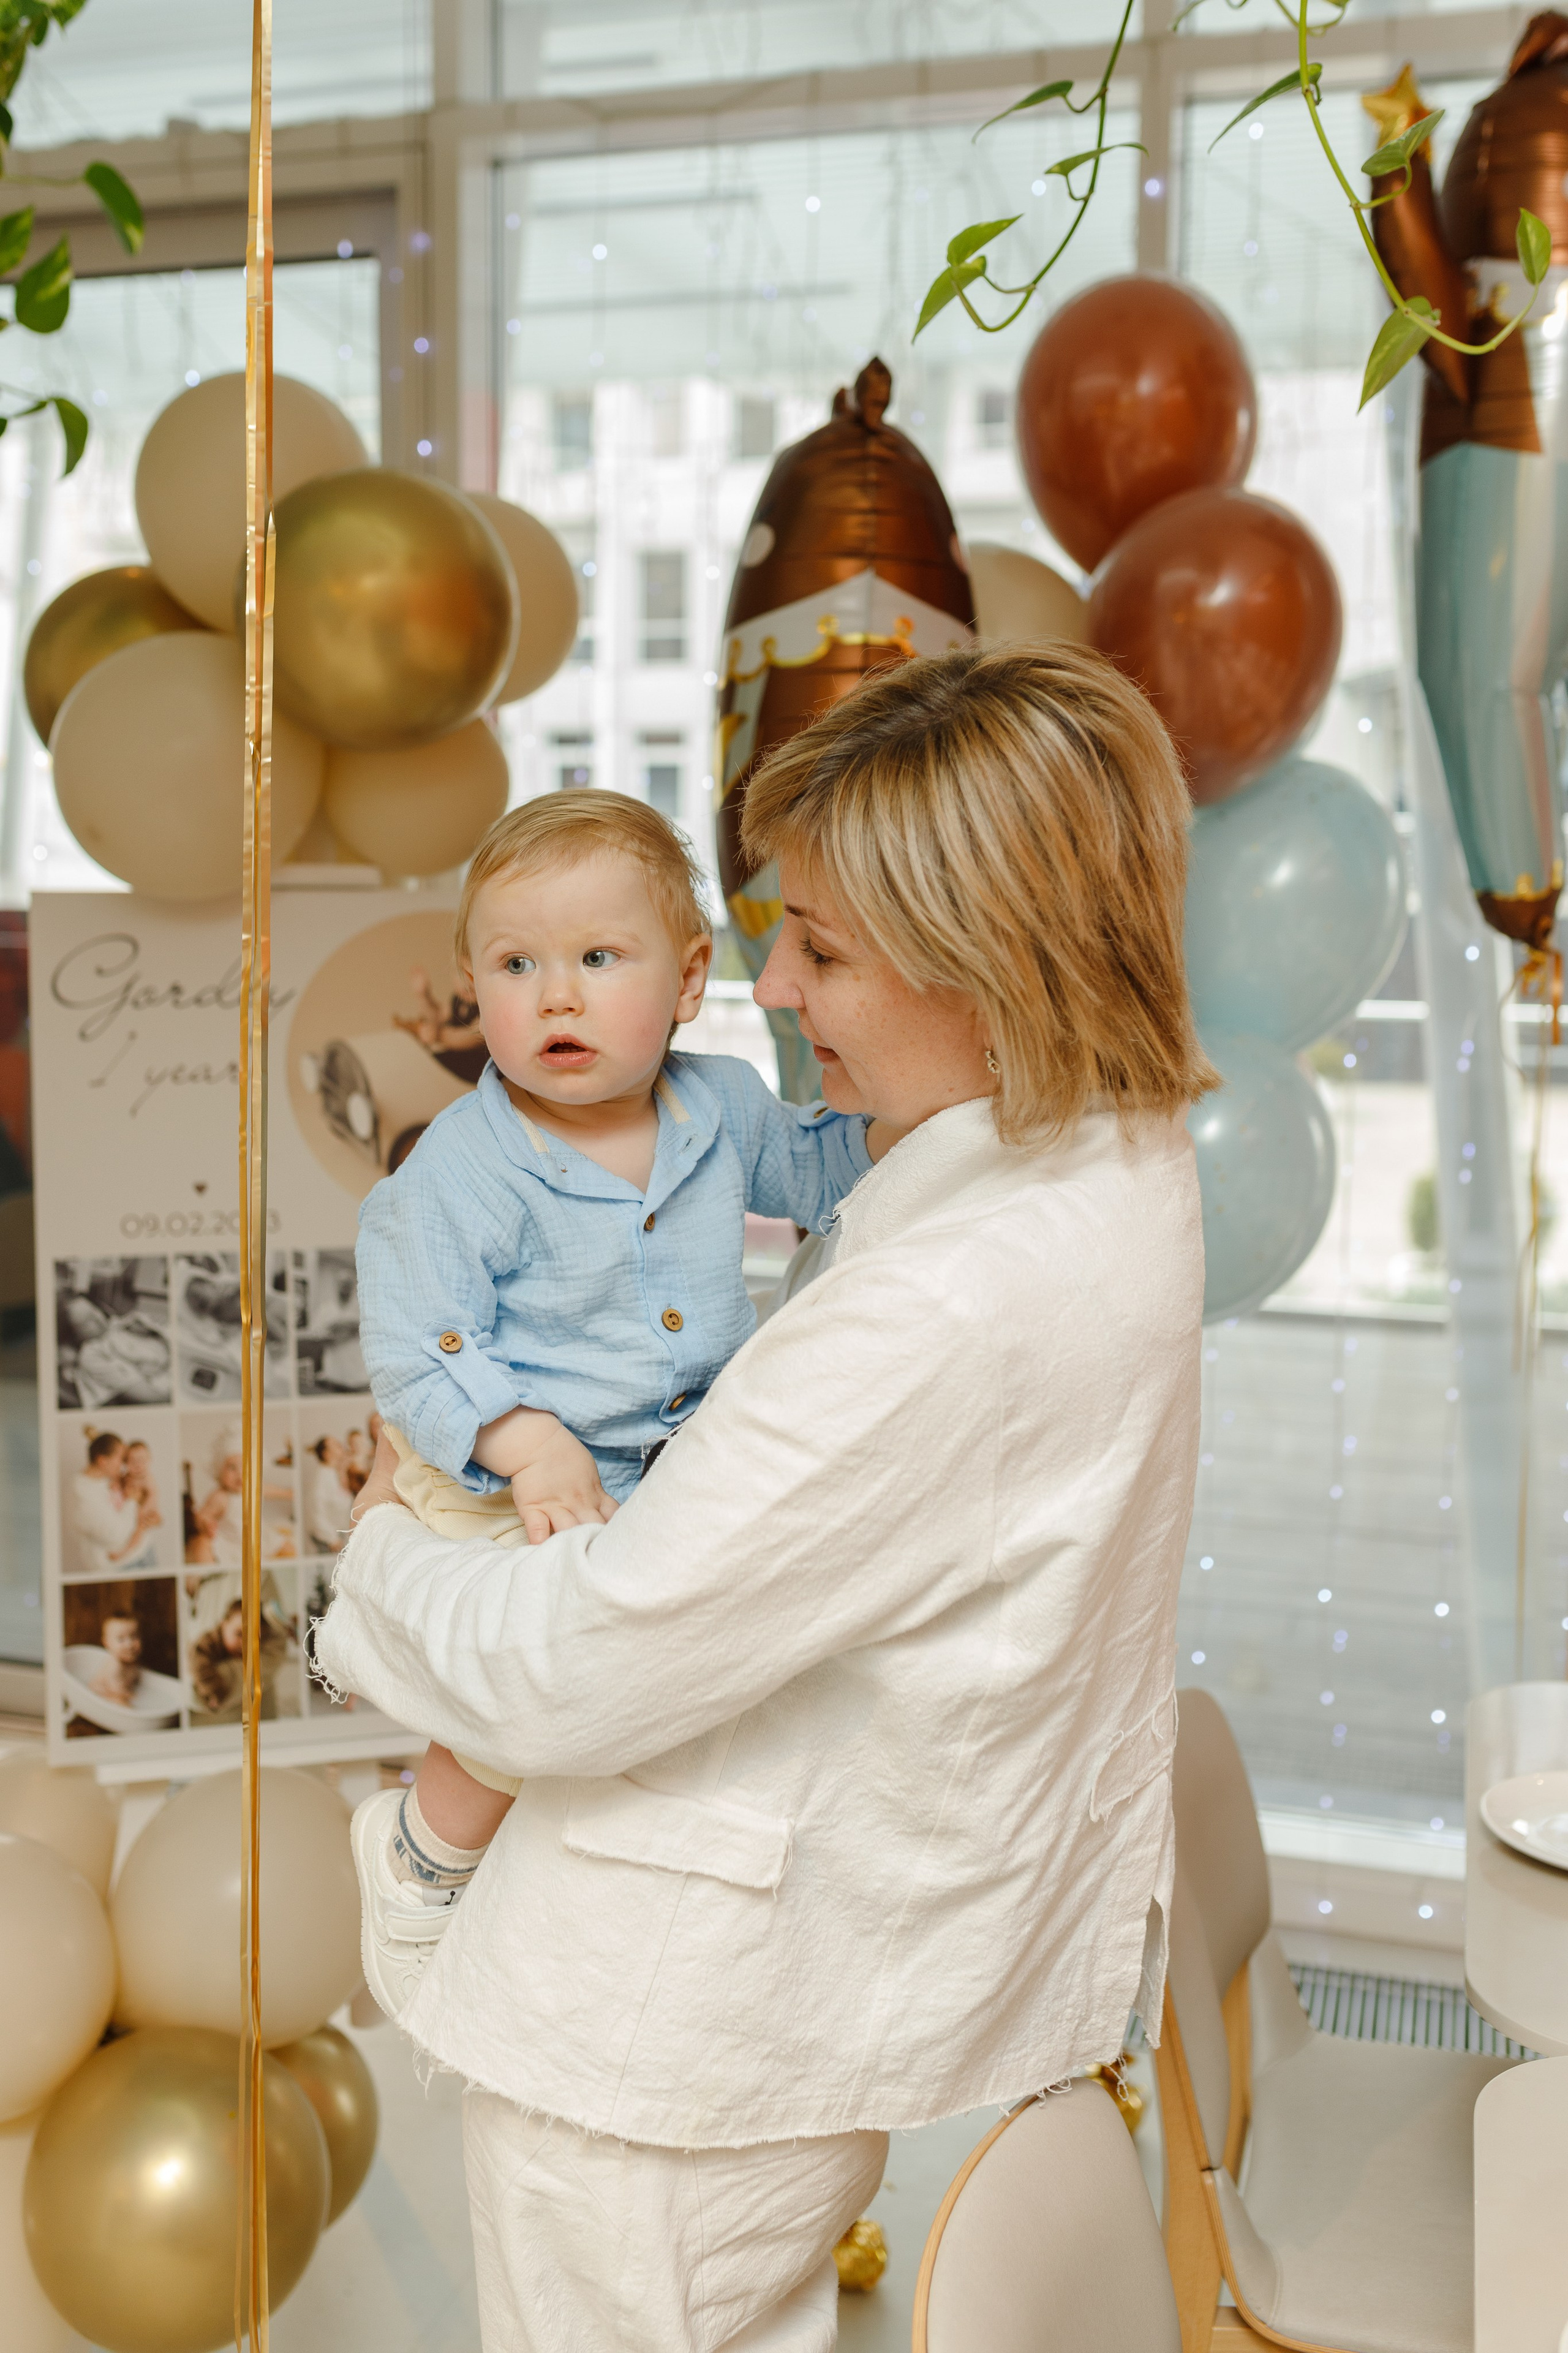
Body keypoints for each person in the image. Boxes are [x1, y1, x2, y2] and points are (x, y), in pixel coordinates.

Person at [317, 644, 1212, 2353]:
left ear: (988, 961)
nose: (780, 987)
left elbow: (587, 1662)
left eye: (825, 946)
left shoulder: (948, 1298)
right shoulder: (1118, 1154)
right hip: (769, 1985)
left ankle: (416, 1865)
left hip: (663, 2046)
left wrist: (368, 1549)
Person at [350, 787, 889, 1928]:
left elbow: (826, 1167)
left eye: (599, 956)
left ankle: (629, 1875)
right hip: (509, 1466)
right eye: (513, 965)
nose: (556, 994)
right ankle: (420, 1855)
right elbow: (416, 1341)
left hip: (669, 1462)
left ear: (689, 982)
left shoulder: (722, 1107)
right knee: (527, 1675)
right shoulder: (463, 1169)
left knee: (726, 1661)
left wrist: (925, 1125)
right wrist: (526, 1441)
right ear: (474, 988)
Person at [70, 1430, 158, 1575]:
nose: (123, 1465)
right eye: (122, 1459)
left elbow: (150, 1505)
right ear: (102, 1461)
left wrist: (152, 1516)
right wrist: (132, 1500)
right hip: (122, 1566)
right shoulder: (83, 1492)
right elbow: (115, 1534)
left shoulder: (107, 1476)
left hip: (143, 1552)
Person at [90, 1609, 143, 1704]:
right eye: (121, 1639)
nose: (129, 1645)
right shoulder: (114, 1667)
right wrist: (132, 1697)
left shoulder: (133, 1663)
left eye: (134, 1637)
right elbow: (117, 1693)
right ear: (107, 1644)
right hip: (104, 1694)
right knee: (121, 1702)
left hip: (119, 1691)